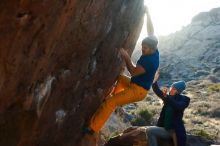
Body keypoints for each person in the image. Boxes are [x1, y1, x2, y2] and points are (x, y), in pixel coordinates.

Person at [84, 7, 159, 134]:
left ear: (151, 49)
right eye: (142, 46)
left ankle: (92, 128)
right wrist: (148, 13)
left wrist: (126, 57)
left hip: (138, 91)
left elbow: (133, 71)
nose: (142, 49)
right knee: (119, 78)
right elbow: (151, 31)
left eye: (145, 48)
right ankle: (116, 97)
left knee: (111, 102)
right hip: (134, 84)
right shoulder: (154, 47)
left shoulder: (150, 61)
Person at [147, 71, 190, 146]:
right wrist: (154, 81)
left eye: (174, 89)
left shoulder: (184, 99)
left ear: (178, 91)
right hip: (166, 130)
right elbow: (157, 91)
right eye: (171, 87)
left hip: (175, 131)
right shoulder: (168, 98)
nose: (171, 90)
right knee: (149, 130)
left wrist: (167, 97)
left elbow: (178, 106)